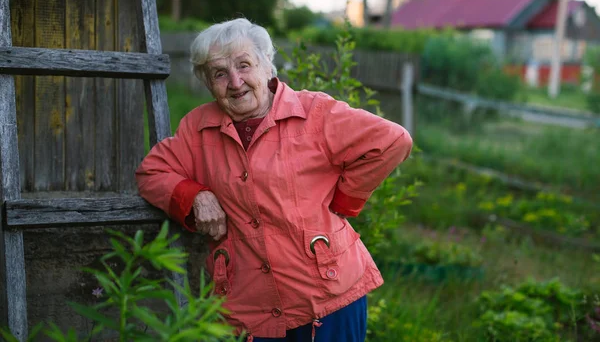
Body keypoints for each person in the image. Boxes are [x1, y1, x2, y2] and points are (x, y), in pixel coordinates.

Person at [135, 18, 413, 341]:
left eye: (244, 65)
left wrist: (344, 199)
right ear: (207, 83)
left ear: (267, 66)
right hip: (248, 304)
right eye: (220, 73)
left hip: (327, 295)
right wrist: (195, 196)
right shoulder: (198, 128)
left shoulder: (315, 113)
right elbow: (151, 172)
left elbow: (393, 141)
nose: (235, 82)